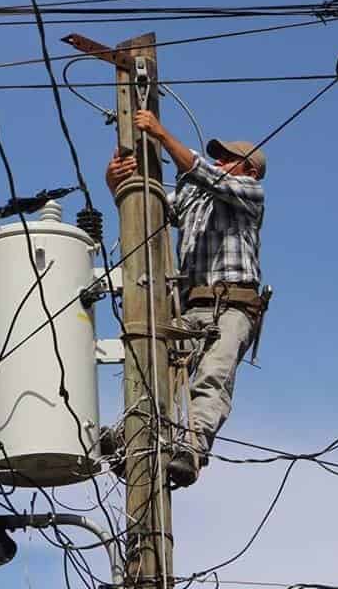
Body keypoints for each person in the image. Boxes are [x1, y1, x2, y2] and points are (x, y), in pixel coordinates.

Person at [104, 109, 267, 487]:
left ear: (250, 170)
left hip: (234, 306)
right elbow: (150, 211)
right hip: (192, 305)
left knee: (212, 377)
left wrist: (161, 135)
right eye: (218, 156)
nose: (219, 162)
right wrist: (116, 184)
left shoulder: (250, 193)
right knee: (152, 365)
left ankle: (190, 451)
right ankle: (130, 436)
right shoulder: (196, 199)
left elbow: (204, 173)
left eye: (228, 158)